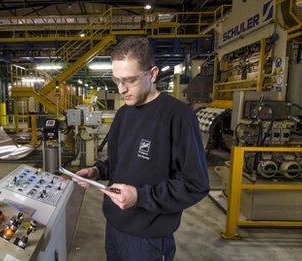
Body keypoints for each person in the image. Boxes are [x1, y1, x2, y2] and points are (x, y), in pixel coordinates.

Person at [74, 36, 209, 261]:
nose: (121, 89)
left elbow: (196, 185)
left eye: (130, 80)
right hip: (114, 226)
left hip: (148, 239)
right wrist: (97, 171)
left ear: (153, 74)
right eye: (116, 80)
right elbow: (121, 161)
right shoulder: (123, 114)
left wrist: (140, 196)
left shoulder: (177, 116)